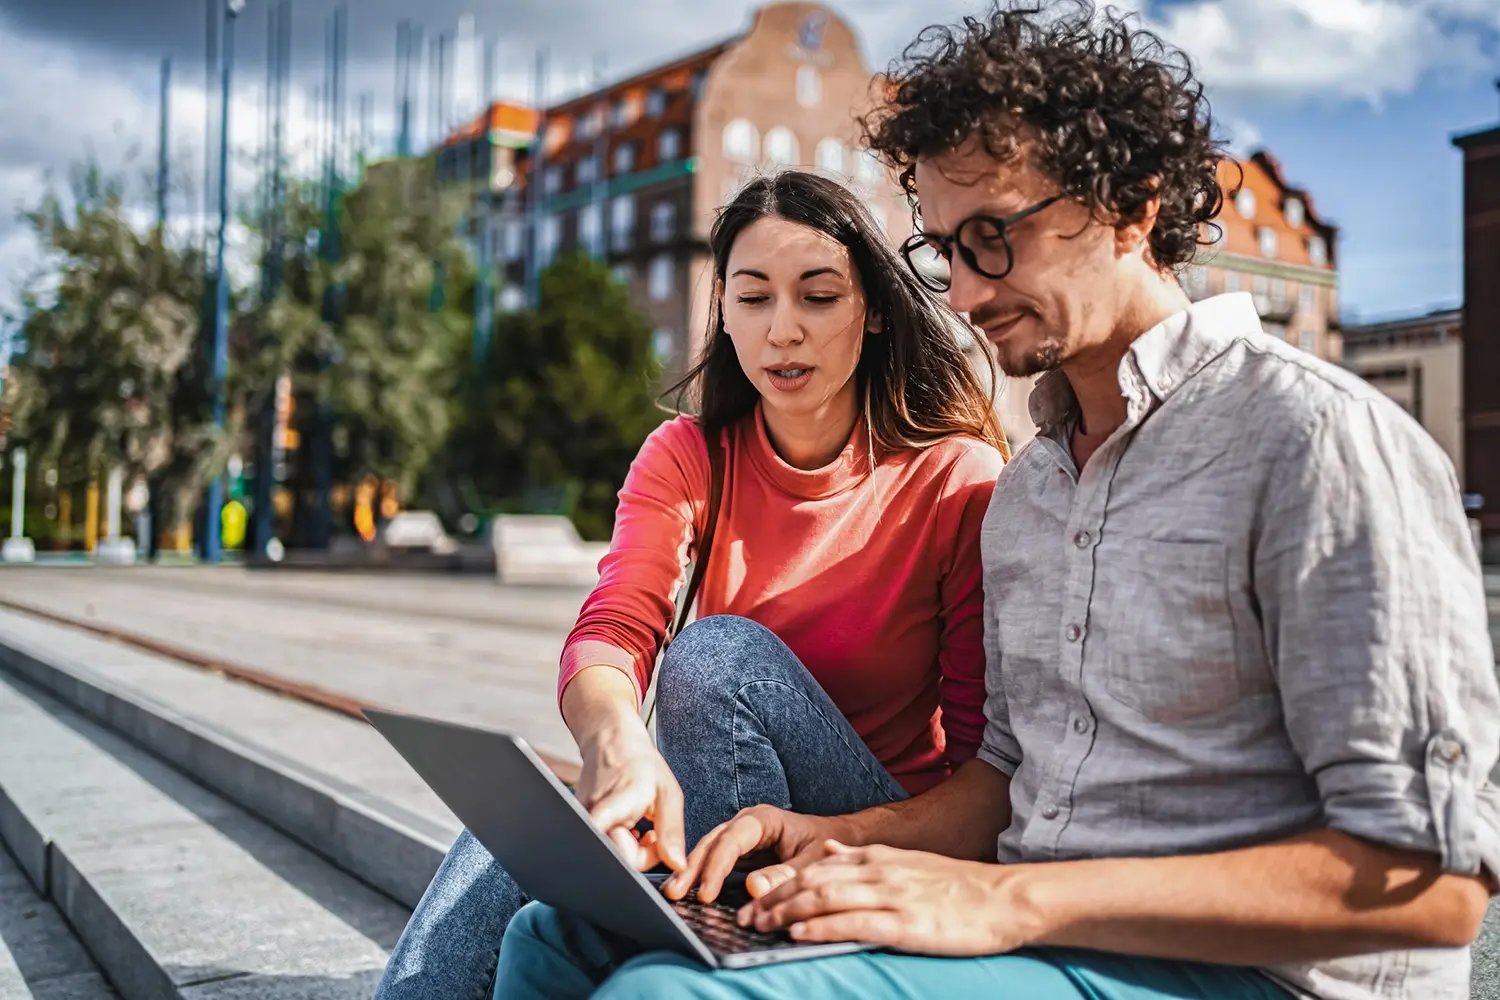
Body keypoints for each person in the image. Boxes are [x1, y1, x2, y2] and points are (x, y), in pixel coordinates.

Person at [491, 4, 1499, 999]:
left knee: (660, 996)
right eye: (944, 250)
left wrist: (1011, 902)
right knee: (553, 933)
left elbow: (1434, 888)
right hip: (1044, 931)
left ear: (1133, 205)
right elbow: (1002, 784)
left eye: (994, 236)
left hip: (1245, 976)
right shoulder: (1030, 491)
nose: (965, 295)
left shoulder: (1313, 442)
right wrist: (830, 840)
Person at [372, 169, 1010, 997]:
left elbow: (982, 784)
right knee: (524, 828)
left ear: (876, 311)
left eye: (818, 297)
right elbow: (615, 626)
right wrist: (617, 743)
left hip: (875, 834)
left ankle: (723, 963)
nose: (783, 331)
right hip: (721, 814)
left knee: (714, 658)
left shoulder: (956, 479)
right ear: (723, 313)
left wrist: (832, 832)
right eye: (753, 299)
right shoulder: (686, 455)